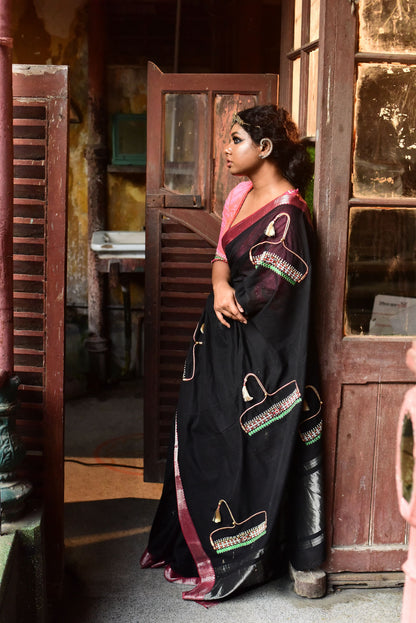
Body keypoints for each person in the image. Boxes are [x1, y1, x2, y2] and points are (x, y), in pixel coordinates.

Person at [141, 105, 325, 602]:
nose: (226, 148)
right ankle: (191, 545)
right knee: (198, 433)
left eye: (236, 139)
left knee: (238, 447)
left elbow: (278, 282)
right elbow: (222, 253)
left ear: (265, 149)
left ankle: (242, 556)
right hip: (215, 342)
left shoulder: (289, 211)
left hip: (260, 351)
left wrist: (236, 301)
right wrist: (221, 286)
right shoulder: (240, 194)